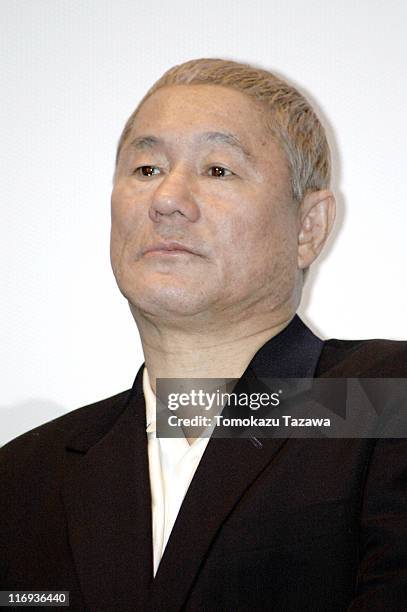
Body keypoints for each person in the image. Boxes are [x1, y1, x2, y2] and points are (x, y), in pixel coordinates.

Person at [1, 58, 407, 611]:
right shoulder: (25, 474)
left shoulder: (386, 402)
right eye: (146, 169)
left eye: (218, 170)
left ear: (308, 227)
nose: (167, 198)